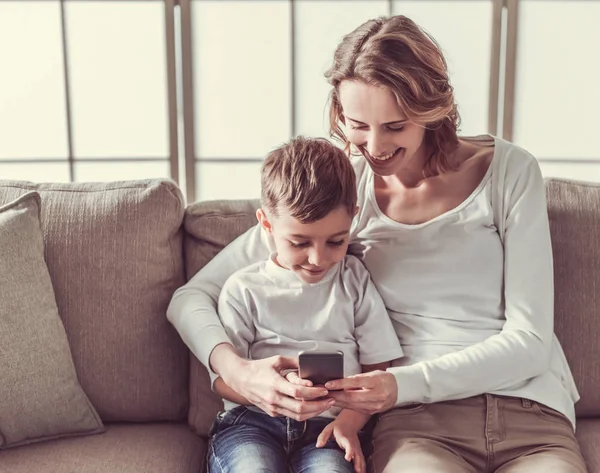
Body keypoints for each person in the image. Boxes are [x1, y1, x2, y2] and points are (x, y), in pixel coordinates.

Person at [167, 14, 587, 473]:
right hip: (417, 423)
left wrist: (399, 383)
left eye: (395, 125)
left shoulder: (510, 171)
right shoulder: (346, 196)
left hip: (527, 406)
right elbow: (193, 297)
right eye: (357, 124)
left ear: (433, 109)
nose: (374, 145)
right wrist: (237, 371)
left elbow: (529, 340)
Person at [207, 137, 404, 473]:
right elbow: (221, 381)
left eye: (336, 241)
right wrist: (274, 392)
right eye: (299, 243)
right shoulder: (243, 289)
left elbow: (377, 370)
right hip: (252, 422)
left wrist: (350, 422)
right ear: (266, 224)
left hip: (329, 426)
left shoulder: (353, 279)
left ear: (353, 219)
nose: (318, 259)